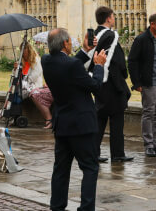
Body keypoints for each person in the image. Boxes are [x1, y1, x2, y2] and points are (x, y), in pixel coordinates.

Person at [41, 27, 107, 211]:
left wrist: (85, 50)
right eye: (70, 41)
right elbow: (95, 86)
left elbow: (68, 65)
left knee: (61, 169)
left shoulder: (46, 61)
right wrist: (99, 66)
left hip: (62, 123)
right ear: (65, 43)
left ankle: (57, 206)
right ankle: (86, 208)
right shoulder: (71, 66)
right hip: (81, 125)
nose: (72, 43)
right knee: (90, 167)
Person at [76, 7, 133, 163]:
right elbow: (115, 60)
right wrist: (122, 75)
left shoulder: (94, 35)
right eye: (113, 16)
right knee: (117, 119)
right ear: (108, 18)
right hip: (111, 83)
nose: (114, 18)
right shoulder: (111, 35)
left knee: (100, 119)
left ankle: (93, 152)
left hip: (98, 81)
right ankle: (117, 153)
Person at [128, 12, 156, 158]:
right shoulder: (141, 39)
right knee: (149, 112)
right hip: (149, 83)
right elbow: (132, 61)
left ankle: (154, 142)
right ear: (152, 24)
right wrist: (136, 83)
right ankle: (148, 145)